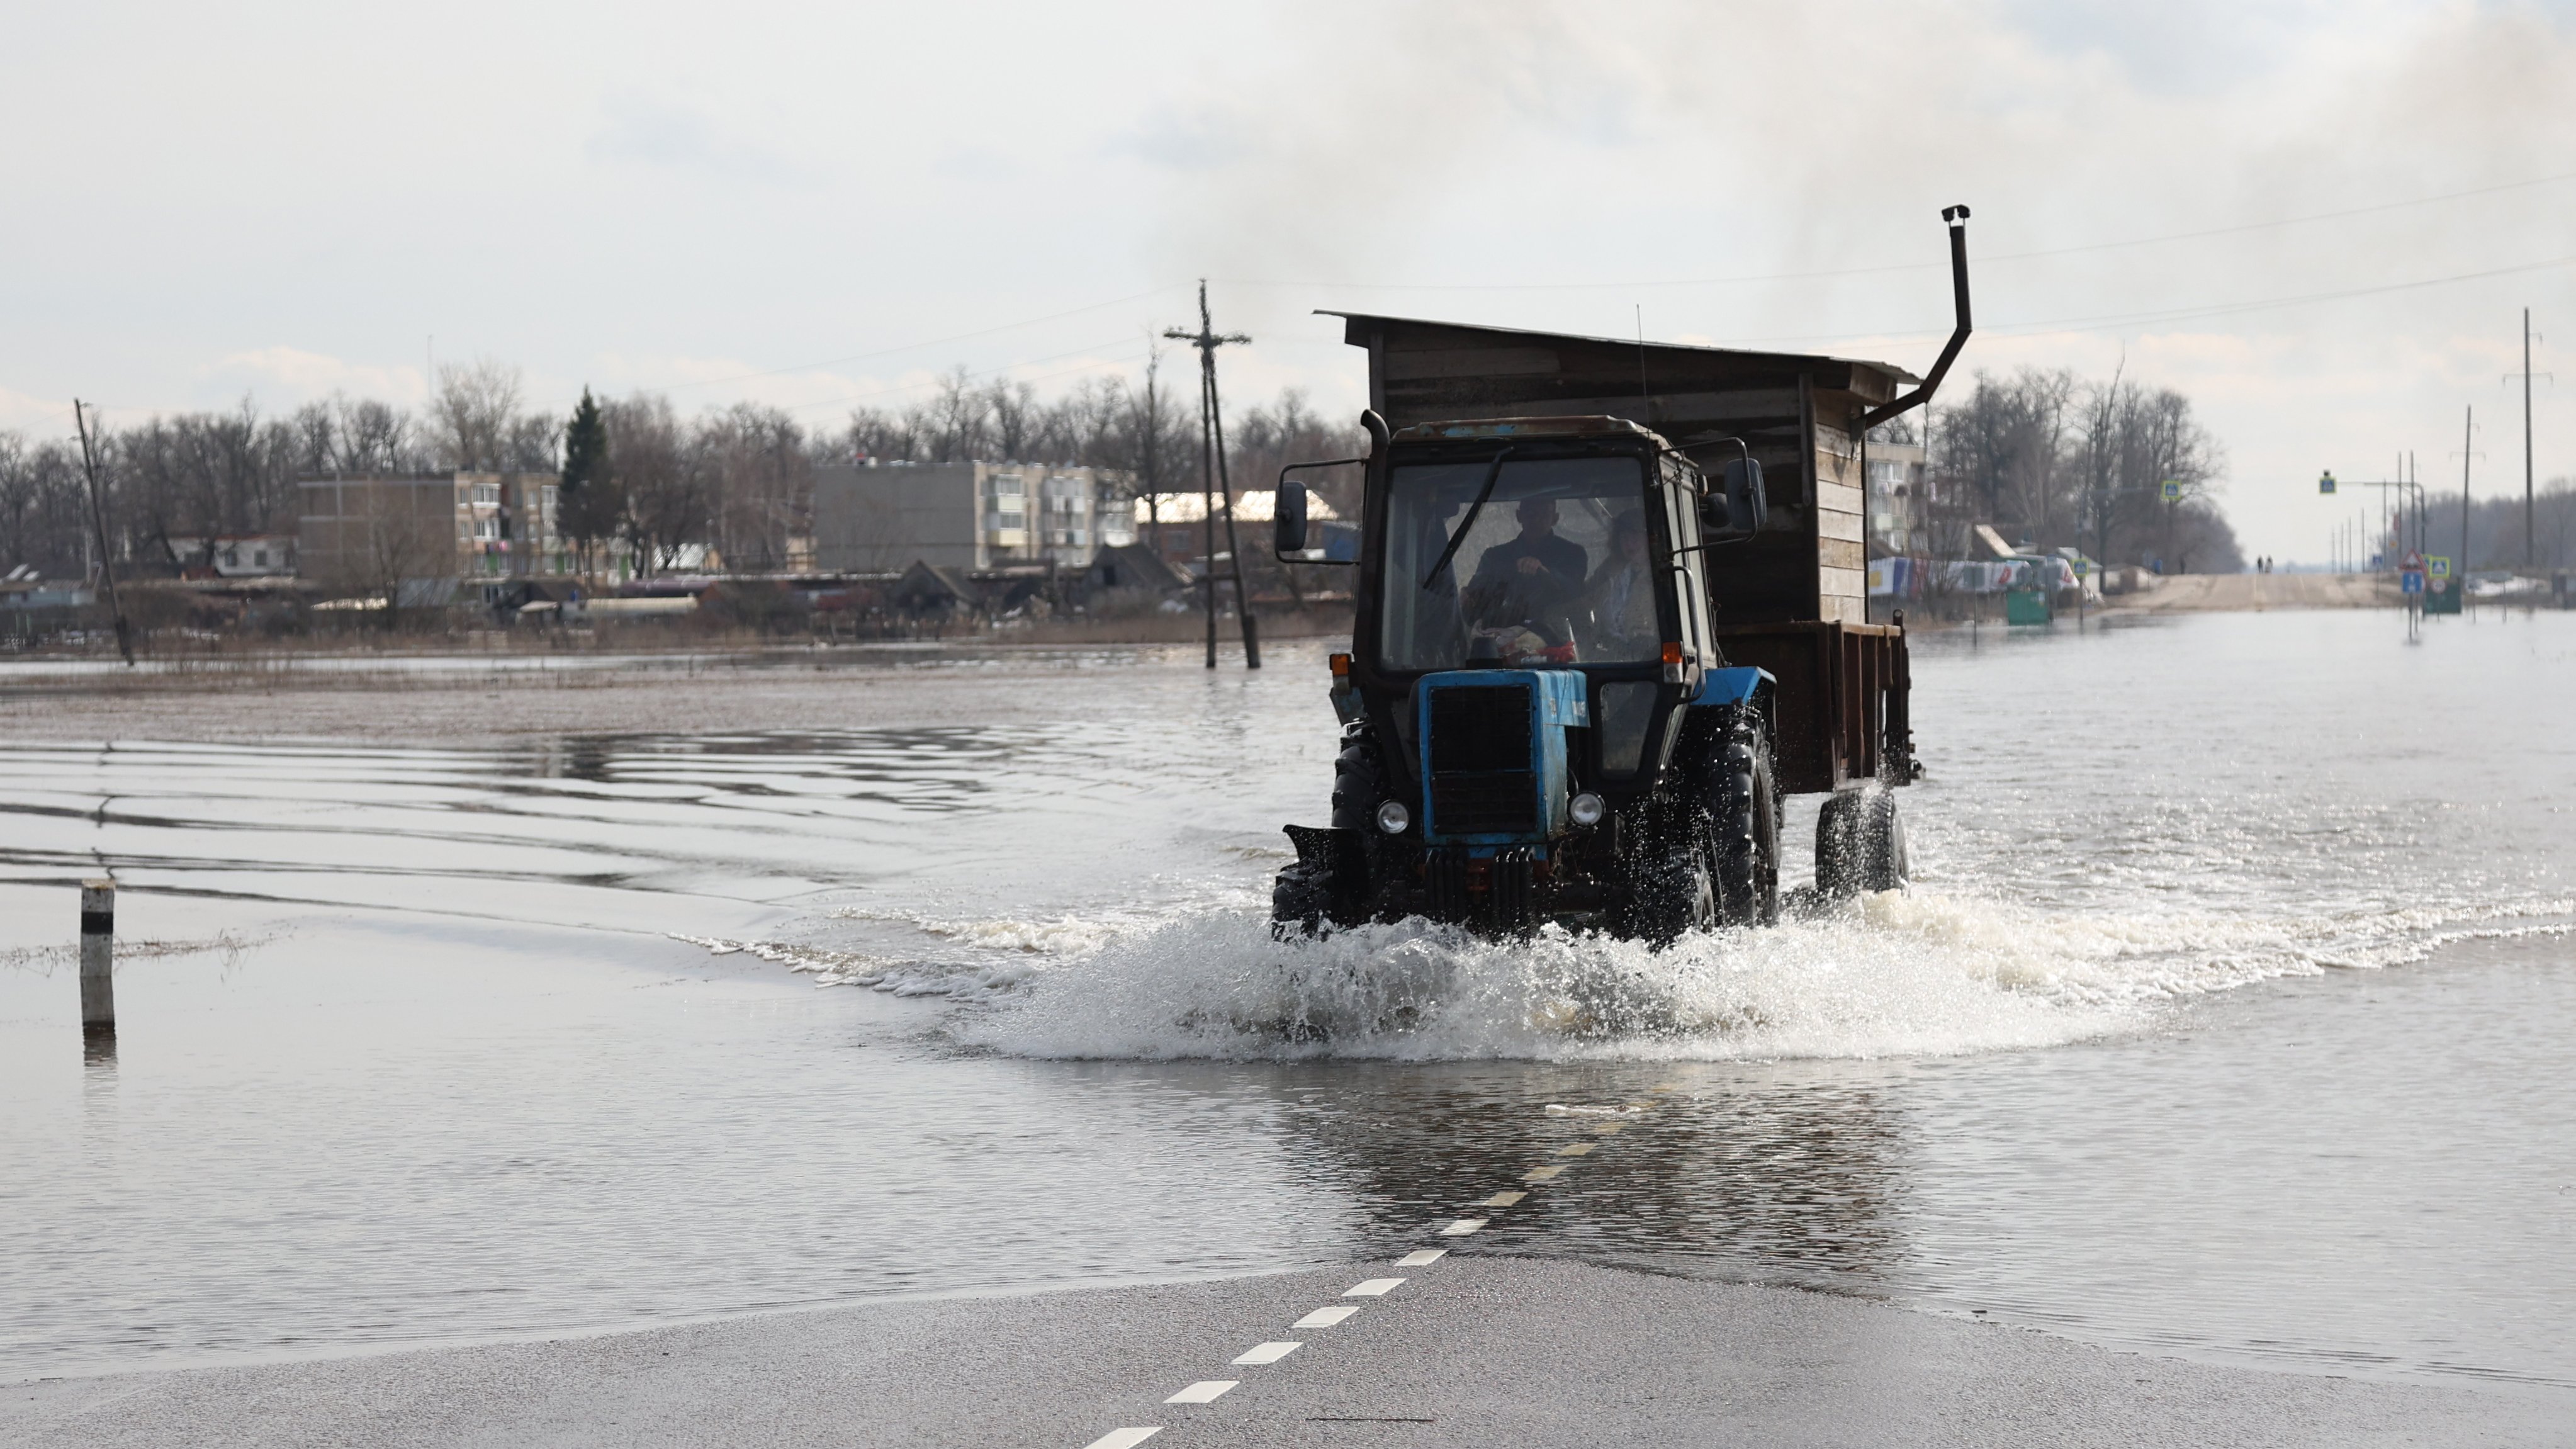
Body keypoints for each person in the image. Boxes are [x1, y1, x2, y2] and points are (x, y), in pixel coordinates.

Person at [1575, 510, 1657, 659]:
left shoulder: (1661, 575)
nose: (1629, 543)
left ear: (1648, 539)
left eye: (1635, 536)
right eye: (1624, 537)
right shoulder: (1608, 572)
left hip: (1648, 652)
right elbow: (1583, 603)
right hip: (1611, 651)